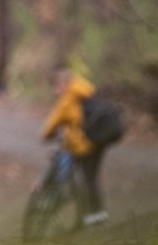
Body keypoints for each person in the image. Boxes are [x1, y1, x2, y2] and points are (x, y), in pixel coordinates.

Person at [40, 63, 108, 227]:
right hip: (98, 140)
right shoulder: (87, 89)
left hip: (81, 145)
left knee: (80, 178)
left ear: (62, 84)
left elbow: (50, 127)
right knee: (91, 178)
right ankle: (98, 214)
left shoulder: (67, 99)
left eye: (56, 86)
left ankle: (90, 215)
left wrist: (46, 136)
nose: (55, 90)